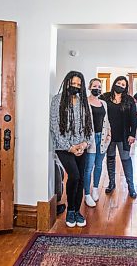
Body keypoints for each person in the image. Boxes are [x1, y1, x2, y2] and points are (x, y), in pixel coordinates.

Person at [50, 71, 93, 228]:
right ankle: (70, 210)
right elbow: (55, 127)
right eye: (72, 84)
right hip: (64, 148)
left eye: (78, 85)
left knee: (81, 178)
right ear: (67, 83)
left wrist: (84, 145)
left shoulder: (83, 102)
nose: (75, 87)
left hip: (82, 146)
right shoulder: (57, 101)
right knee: (74, 176)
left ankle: (76, 210)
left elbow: (90, 126)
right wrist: (70, 148)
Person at [100, 76, 137, 198]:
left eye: (123, 84)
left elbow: (133, 118)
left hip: (124, 135)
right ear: (114, 83)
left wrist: (132, 135)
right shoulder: (105, 97)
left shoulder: (129, 100)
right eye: (118, 83)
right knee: (110, 158)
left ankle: (131, 186)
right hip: (109, 136)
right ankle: (111, 183)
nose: (120, 86)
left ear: (126, 87)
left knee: (126, 159)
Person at [83, 78, 112, 207]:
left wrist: (109, 134)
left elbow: (107, 120)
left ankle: (95, 189)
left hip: (102, 137)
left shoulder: (103, 103)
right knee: (88, 167)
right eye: (94, 86)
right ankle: (87, 194)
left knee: (99, 165)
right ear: (90, 87)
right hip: (90, 139)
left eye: (99, 86)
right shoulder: (84, 102)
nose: (97, 88)